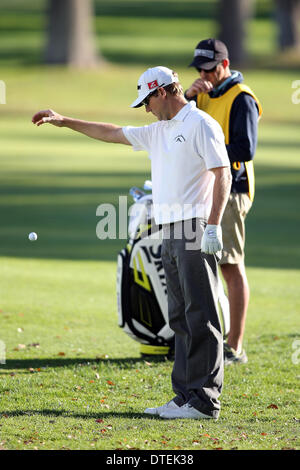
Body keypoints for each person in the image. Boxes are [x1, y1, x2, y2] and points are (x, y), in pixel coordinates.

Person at [32, 66, 232, 420]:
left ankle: (205, 401)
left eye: (147, 100)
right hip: (167, 229)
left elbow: (222, 173)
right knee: (180, 318)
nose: (145, 109)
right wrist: (64, 121)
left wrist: (213, 226)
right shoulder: (159, 131)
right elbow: (111, 132)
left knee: (201, 314)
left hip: (193, 227)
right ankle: (185, 396)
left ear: (164, 92)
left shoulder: (200, 124)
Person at [185, 39, 262, 365]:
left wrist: (207, 153)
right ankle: (210, 341)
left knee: (230, 266)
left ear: (225, 65)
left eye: (210, 69)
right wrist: (188, 97)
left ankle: (235, 347)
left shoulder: (241, 98)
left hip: (232, 189)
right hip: (208, 188)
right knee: (205, 267)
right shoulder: (201, 95)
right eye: (200, 69)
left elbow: (245, 151)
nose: (204, 74)